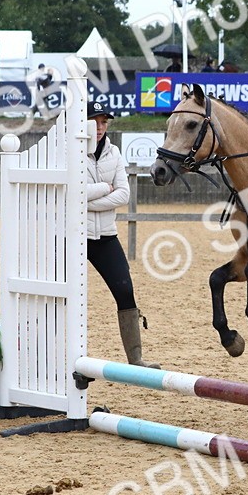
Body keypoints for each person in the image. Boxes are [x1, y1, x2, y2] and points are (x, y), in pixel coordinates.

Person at [86, 102, 156, 368]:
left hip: (105, 235)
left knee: (125, 290)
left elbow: (123, 195)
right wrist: (105, 188)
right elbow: (73, 193)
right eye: (95, 121)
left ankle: (136, 359)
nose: (101, 127)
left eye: (104, 122)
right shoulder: (69, 152)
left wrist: (87, 201)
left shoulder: (114, 153)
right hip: (73, 237)